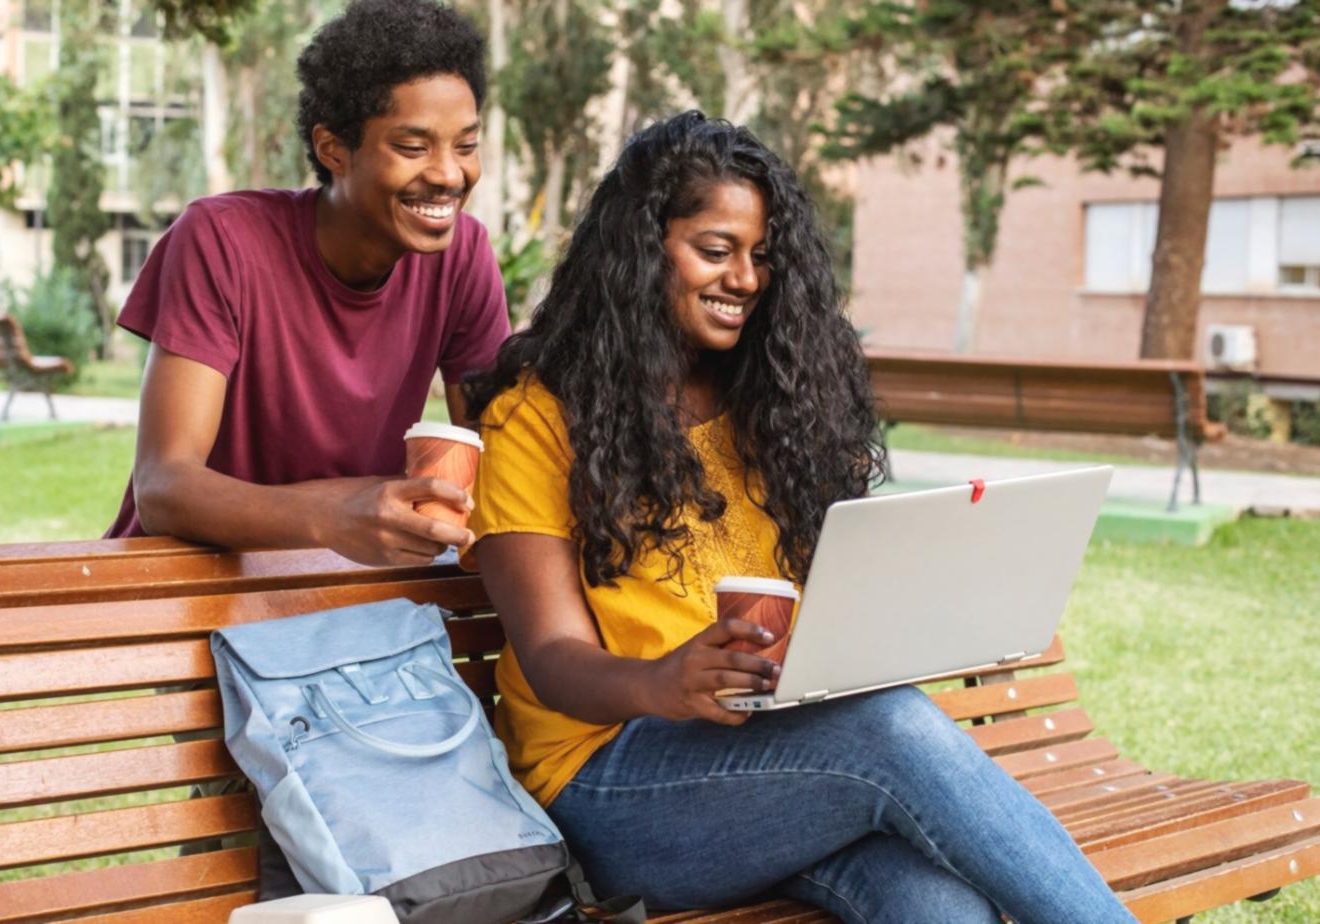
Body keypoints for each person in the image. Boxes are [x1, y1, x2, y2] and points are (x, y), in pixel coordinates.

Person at [462, 112, 1136, 924]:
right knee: (887, 728)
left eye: (762, 256)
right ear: (638, 250)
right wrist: (663, 681)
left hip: (781, 765)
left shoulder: (774, 408)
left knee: (939, 908)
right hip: (609, 787)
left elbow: (838, 605)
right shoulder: (537, 417)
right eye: (716, 250)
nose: (745, 278)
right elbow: (549, 659)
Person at [104, 0, 509, 565]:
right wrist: (336, 516)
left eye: (465, 145)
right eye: (413, 147)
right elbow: (164, 488)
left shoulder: (462, 256)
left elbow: (497, 458)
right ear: (332, 149)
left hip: (336, 591)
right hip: (184, 585)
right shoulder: (222, 241)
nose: (448, 174)